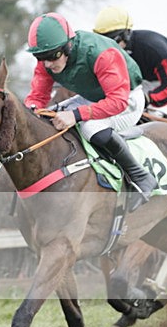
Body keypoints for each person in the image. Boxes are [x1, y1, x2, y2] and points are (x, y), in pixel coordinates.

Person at [25, 12, 157, 212]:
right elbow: (37, 98)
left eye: (53, 56)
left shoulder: (101, 54)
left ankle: (141, 176)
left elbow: (117, 101)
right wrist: (33, 109)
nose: (48, 64)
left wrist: (75, 115)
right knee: (46, 117)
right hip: (93, 97)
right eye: (41, 58)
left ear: (68, 45)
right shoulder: (47, 58)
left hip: (127, 99)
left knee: (90, 127)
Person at [94, 6, 167, 120]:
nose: (109, 46)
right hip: (147, 81)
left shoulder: (151, 47)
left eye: (113, 40)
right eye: (103, 40)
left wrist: (149, 99)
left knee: (152, 115)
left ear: (126, 34)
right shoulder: (114, 49)